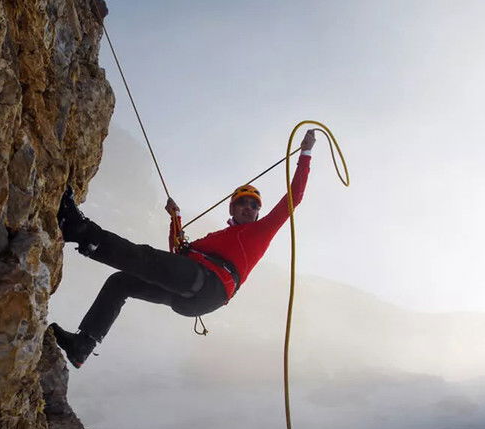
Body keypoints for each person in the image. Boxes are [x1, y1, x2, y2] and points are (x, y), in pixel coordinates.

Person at [50, 129, 318, 367]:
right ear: (232, 208)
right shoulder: (217, 238)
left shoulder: (260, 231)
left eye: (254, 205)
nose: (249, 207)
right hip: (194, 294)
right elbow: (179, 254)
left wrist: (305, 152)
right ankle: (82, 346)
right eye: (243, 203)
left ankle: (79, 230)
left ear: (259, 212)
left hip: (210, 284)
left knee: (146, 259)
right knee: (120, 282)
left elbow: (294, 198)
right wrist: (175, 218)